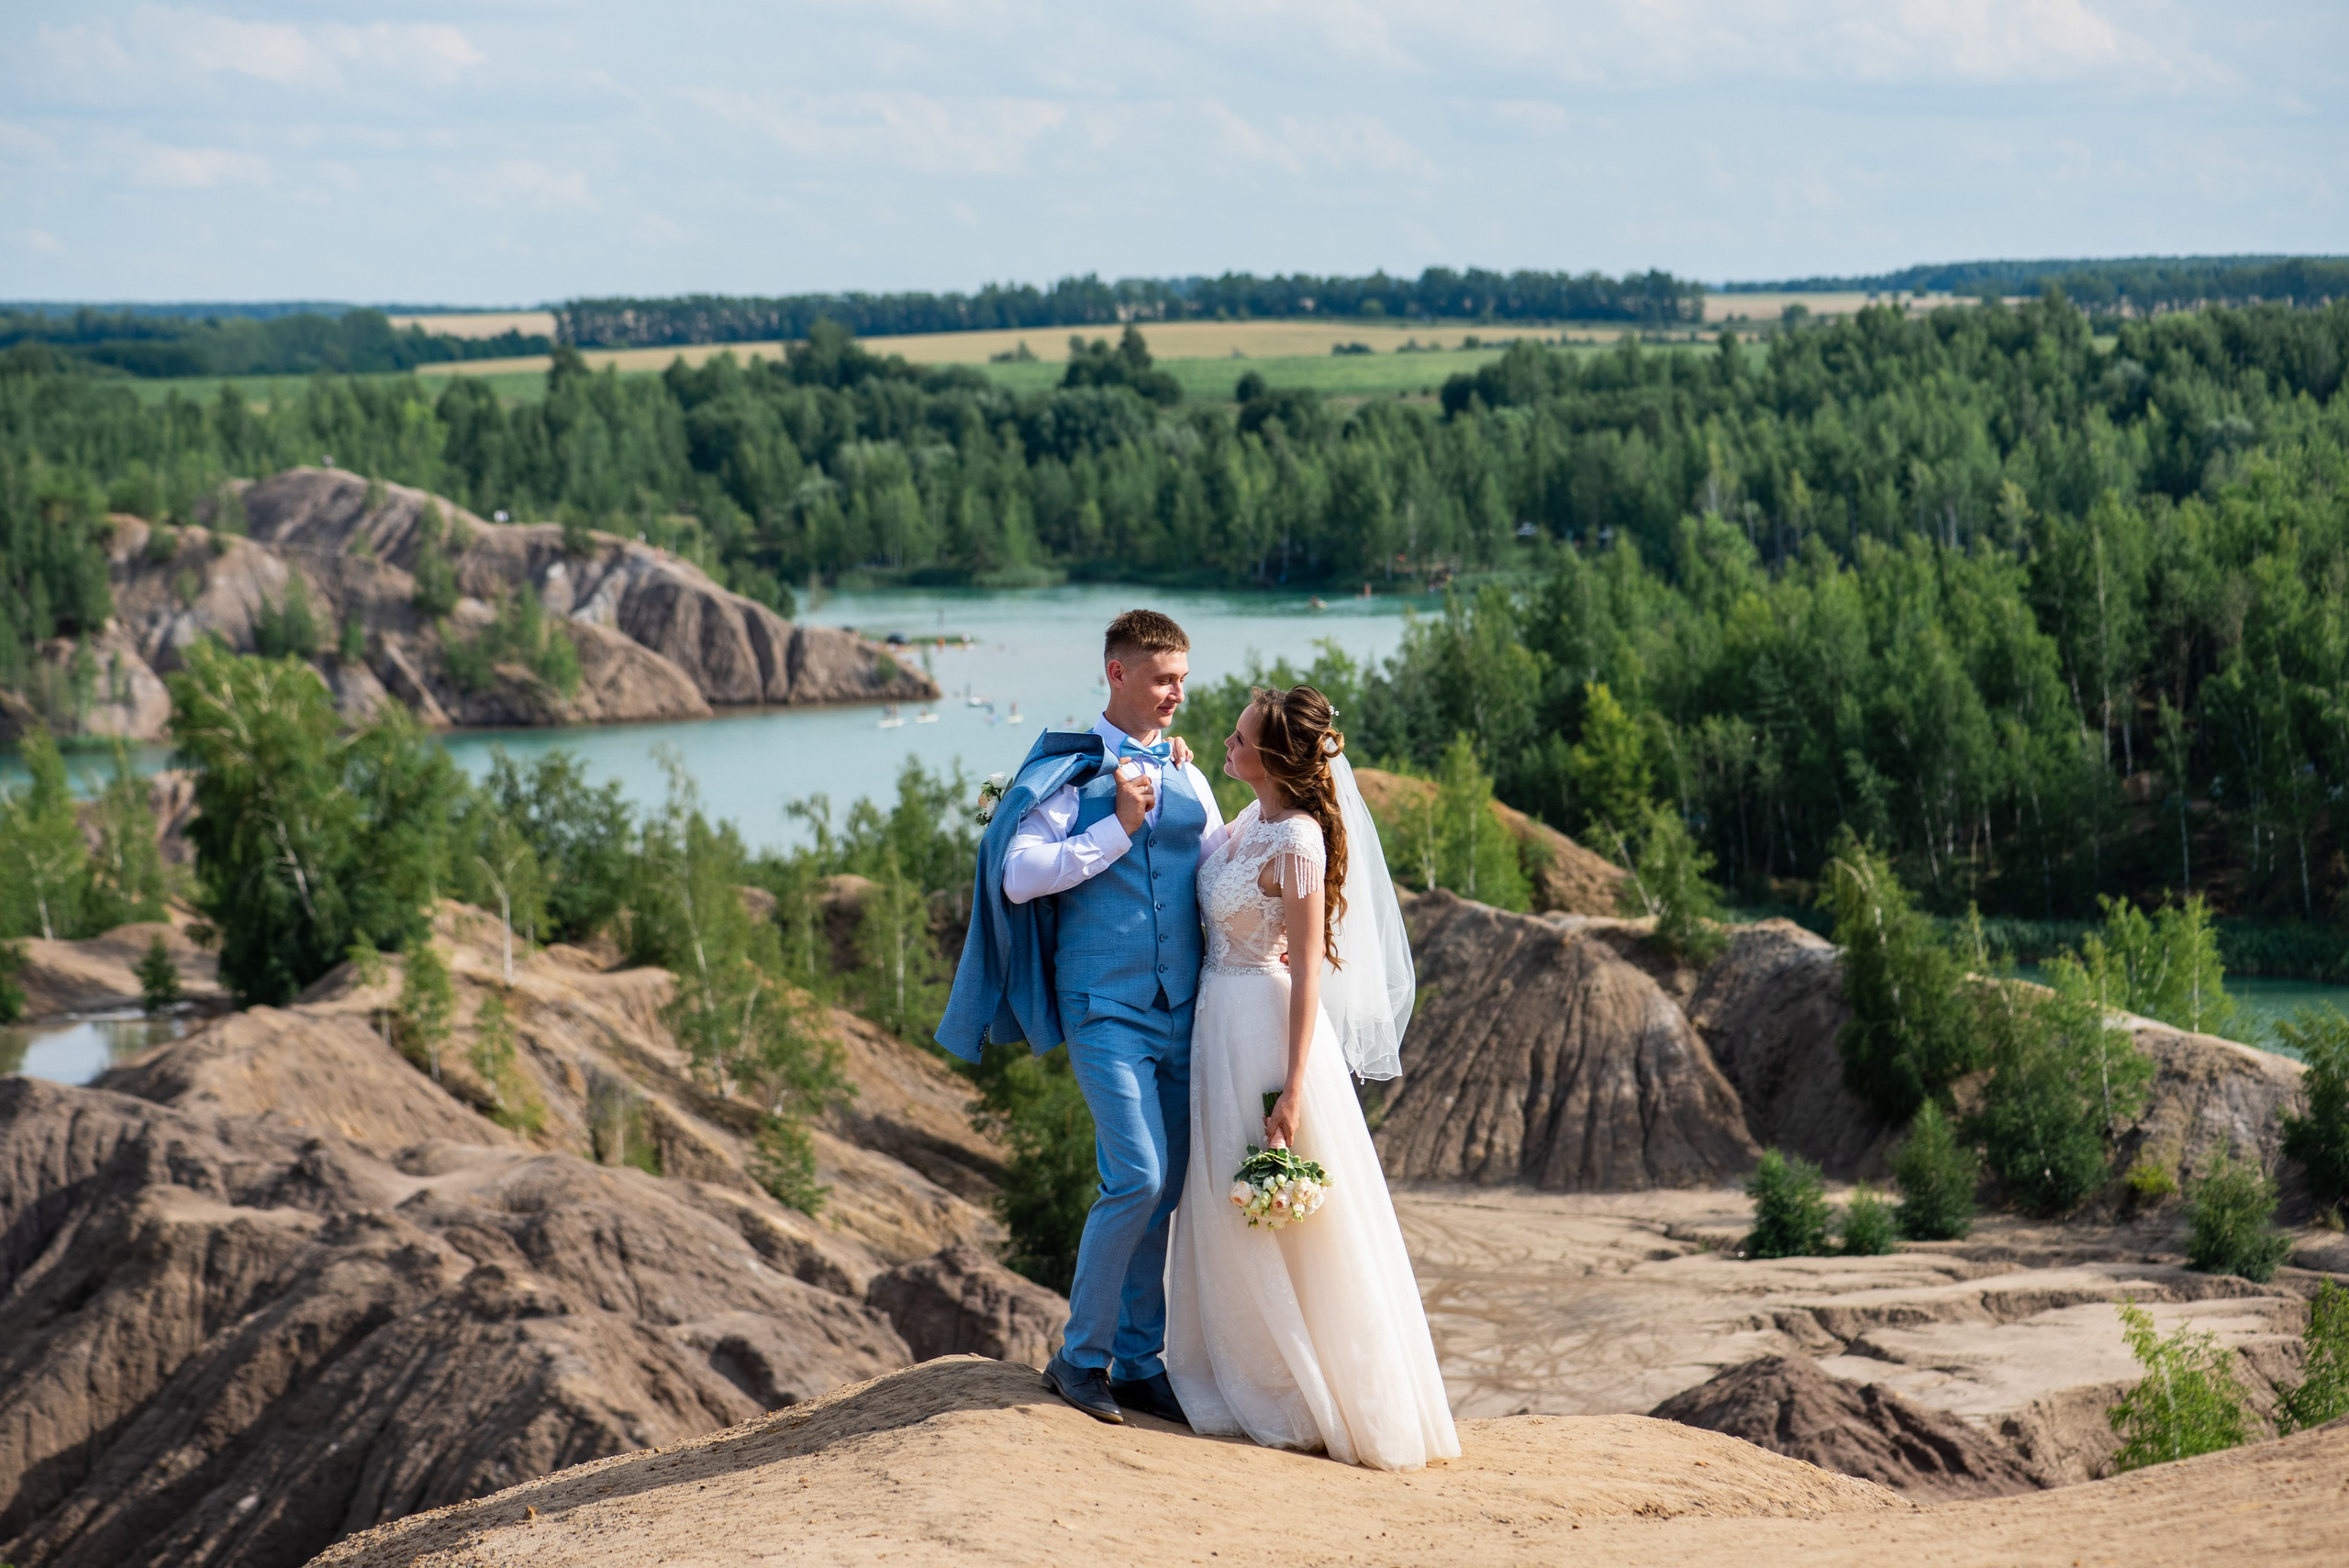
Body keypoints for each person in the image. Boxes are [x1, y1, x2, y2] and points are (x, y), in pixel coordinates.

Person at [937, 608, 1225, 1427]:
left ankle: (1139, 1360)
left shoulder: (1187, 771)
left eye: (1184, 680)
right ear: (1118, 674)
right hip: (1105, 1007)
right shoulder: (1073, 771)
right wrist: (1116, 826)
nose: (1177, 694)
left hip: (1183, 1004)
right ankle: (1080, 1357)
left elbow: (1215, 864)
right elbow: (1020, 874)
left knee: (1162, 1189)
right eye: (1165, 678)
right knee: (1134, 1172)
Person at [1163, 684, 1458, 1471]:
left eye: (1239, 737)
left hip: (1264, 1029)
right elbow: (1207, 858)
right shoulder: (1248, 822)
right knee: (1225, 1197)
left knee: (1285, 1208)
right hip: (1216, 1028)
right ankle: (1243, 1366)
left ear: (1275, 758)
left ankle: (1309, 1390)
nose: (1227, 742)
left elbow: (1310, 973)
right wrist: (1185, 769)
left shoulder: (1296, 840)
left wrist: (1293, 1088)